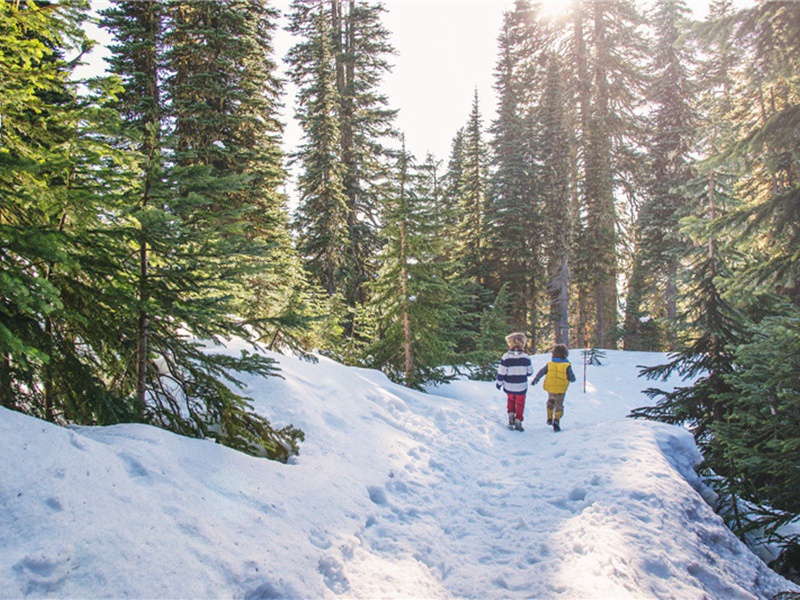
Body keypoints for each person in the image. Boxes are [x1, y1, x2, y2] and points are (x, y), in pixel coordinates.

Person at [531, 344, 576, 432]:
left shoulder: (549, 364)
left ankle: (549, 417)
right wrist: (573, 379)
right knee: (559, 404)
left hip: (551, 387)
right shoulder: (566, 365)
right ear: (565, 354)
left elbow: (541, 372)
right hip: (561, 389)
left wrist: (536, 380)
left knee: (551, 401)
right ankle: (557, 420)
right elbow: (571, 377)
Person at [495, 332, 533, 431]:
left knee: (510, 400)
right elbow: (530, 372)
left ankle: (511, 418)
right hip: (521, 386)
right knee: (520, 403)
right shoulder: (526, 357)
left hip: (509, 385)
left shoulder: (506, 357)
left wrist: (499, 383)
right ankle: (518, 421)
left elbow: (501, 372)